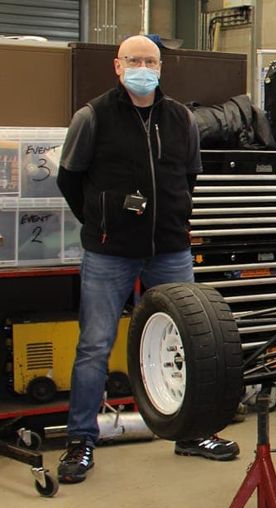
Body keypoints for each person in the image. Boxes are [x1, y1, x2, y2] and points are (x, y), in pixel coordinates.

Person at [55, 35, 240, 483]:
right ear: (118, 67)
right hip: (109, 253)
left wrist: (172, 220)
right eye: (134, 60)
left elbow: (190, 176)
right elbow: (68, 179)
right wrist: (101, 222)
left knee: (190, 343)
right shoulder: (93, 116)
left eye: (151, 60)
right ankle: (81, 440)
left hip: (170, 250)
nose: (143, 66)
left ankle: (191, 433)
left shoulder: (181, 118)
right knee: (95, 346)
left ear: (161, 67)